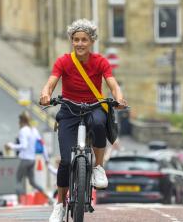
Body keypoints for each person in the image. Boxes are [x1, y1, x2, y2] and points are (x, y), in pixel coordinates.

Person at [40, 19, 127, 222]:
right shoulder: (63, 61)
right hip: (69, 110)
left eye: (84, 40)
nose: (80, 43)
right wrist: (45, 94)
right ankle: (60, 204)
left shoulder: (100, 62)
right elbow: (51, 82)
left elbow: (113, 84)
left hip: (93, 107)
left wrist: (119, 97)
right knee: (65, 161)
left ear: (92, 41)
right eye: (76, 39)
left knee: (99, 123)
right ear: (71, 40)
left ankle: (98, 167)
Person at [5, 112, 52, 204]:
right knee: (32, 182)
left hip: (25, 159)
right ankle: (48, 197)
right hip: (32, 160)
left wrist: (11, 146)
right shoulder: (34, 130)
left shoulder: (23, 130)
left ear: (21, 120)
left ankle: (20, 201)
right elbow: (42, 145)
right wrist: (46, 159)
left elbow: (24, 145)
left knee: (18, 180)